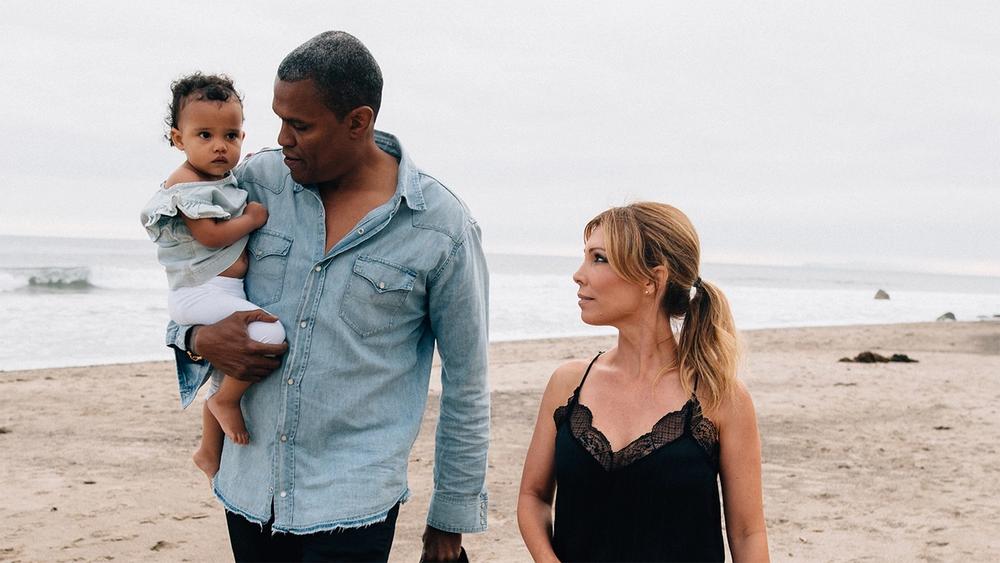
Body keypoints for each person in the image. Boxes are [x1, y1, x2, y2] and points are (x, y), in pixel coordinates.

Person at [164, 32, 489, 562]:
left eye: (301, 125)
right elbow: (189, 278)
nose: (282, 137)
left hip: (354, 508)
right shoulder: (253, 185)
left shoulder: (440, 226)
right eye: (278, 119)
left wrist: (449, 519)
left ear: (358, 122)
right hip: (248, 493)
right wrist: (196, 338)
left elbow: (468, 383)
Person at [517, 203, 769, 562]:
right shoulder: (568, 385)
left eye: (598, 258)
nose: (578, 274)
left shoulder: (719, 397)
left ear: (653, 280)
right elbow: (533, 497)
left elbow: (747, 534)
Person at [140, 73, 286, 480]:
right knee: (271, 334)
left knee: (228, 364)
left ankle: (208, 450)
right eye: (204, 135)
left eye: (231, 135)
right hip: (200, 291)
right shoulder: (185, 183)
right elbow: (209, 234)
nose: (220, 146)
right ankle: (225, 403)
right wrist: (253, 218)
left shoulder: (219, 179)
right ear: (178, 139)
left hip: (215, 290)